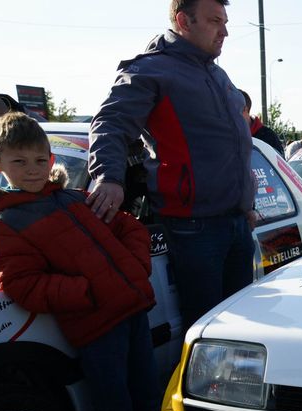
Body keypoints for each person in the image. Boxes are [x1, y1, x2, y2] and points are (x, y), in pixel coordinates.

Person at [0, 113, 174, 411]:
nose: (32, 170)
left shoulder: (75, 199)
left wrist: (133, 266)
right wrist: (88, 292)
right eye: (19, 162)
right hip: (96, 328)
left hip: (132, 316)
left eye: (39, 160)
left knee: (146, 401)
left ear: (49, 157)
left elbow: (130, 228)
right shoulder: (5, 225)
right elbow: (24, 284)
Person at [88, 0, 257, 332]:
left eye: (225, 22)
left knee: (242, 331)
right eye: (215, 21)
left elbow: (235, 148)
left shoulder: (217, 73)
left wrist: (246, 205)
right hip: (194, 228)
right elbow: (110, 122)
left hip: (237, 223)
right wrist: (107, 176)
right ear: (184, 20)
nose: (225, 31)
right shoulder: (150, 70)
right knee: (208, 333)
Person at [239, 90, 284, 155]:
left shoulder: (268, 137)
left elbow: (279, 163)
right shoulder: (224, 136)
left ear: (245, 109)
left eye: (231, 108)